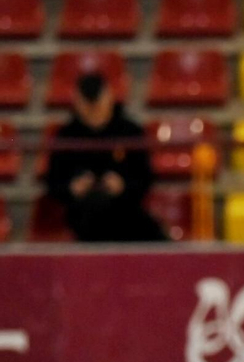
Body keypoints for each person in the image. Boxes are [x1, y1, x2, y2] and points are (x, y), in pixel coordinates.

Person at [44, 73, 165, 243]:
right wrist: (72, 188)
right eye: (88, 106)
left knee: (147, 232)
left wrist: (123, 185)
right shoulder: (65, 136)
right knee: (93, 211)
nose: (94, 112)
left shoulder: (130, 132)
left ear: (109, 97)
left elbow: (145, 177)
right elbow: (52, 182)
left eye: (97, 105)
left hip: (125, 212)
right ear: (77, 102)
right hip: (81, 214)